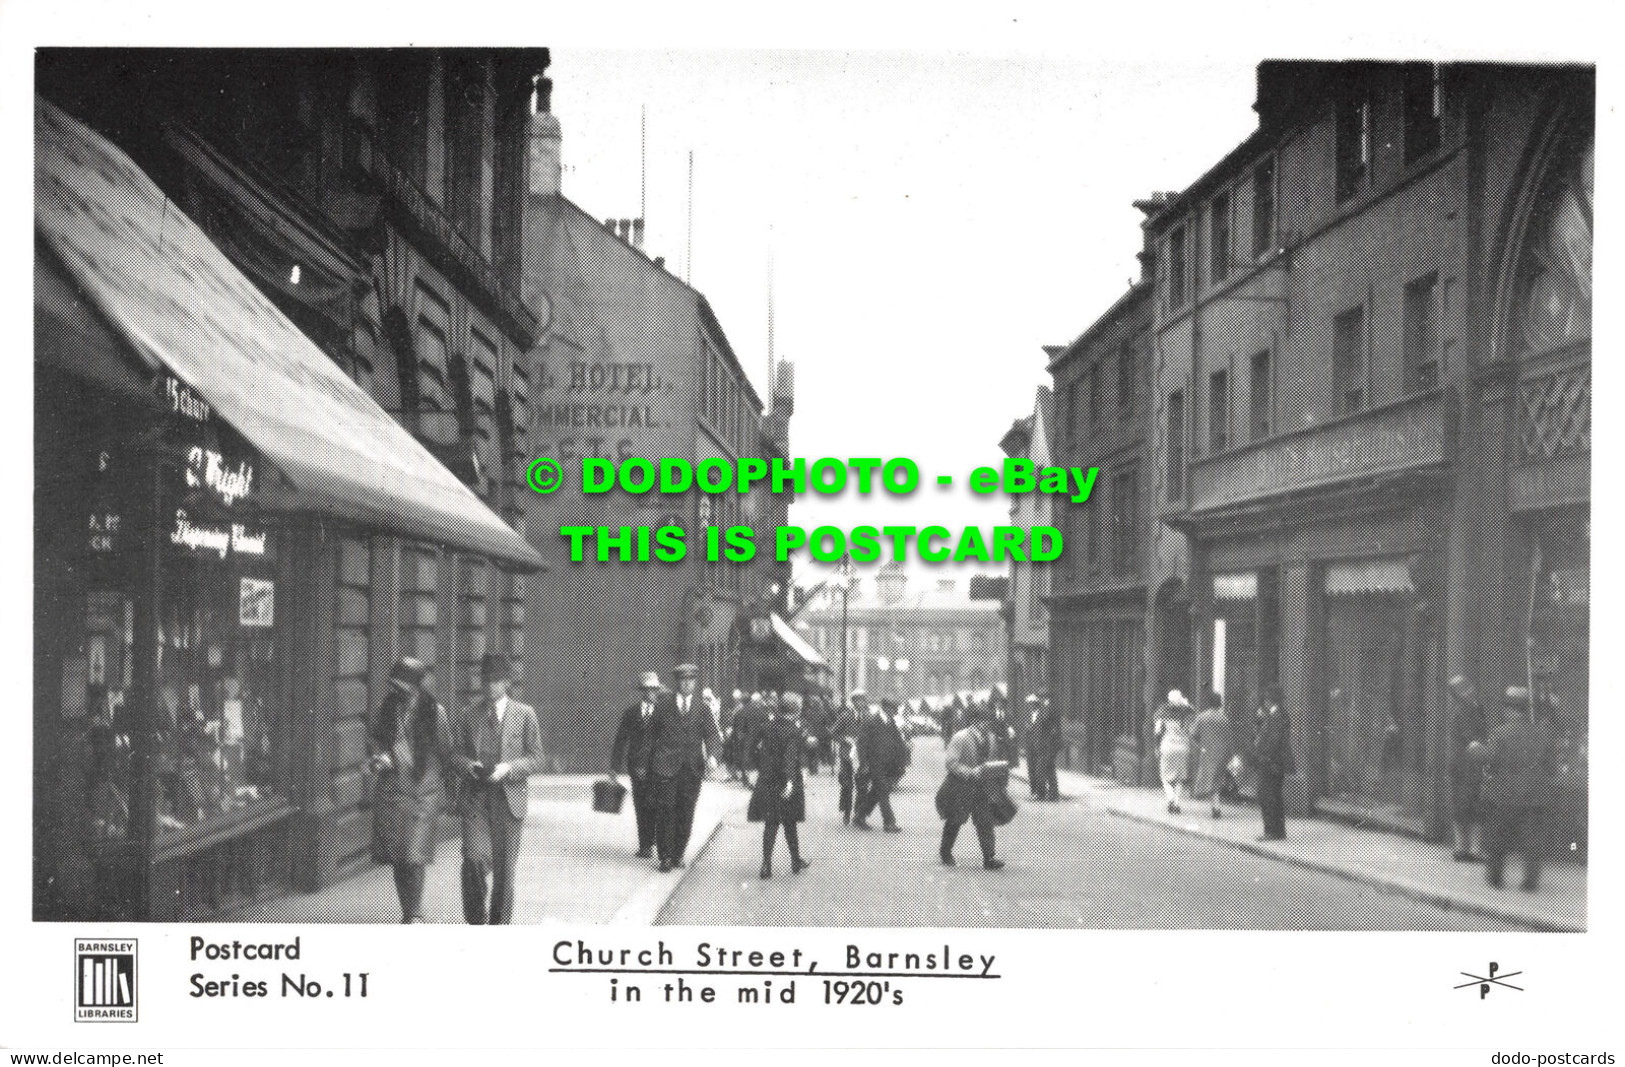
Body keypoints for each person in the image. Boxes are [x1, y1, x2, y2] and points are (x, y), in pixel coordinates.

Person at [448, 654, 543, 925]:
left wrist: (509, 769)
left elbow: (536, 757)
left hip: (508, 800)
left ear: (507, 683)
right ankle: (476, 923)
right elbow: (454, 755)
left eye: (496, 681)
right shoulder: (469, 714)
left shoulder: (525, 714)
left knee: (504, 872)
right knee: (473, 858)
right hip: (476, 799)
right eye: (485, 680)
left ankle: (499, 930)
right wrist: (469, 766)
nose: (489, 686)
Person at [368, 656, 453, 923]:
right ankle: (408, 911)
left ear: (415, 687)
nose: (396, 690)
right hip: (393, 791)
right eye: (393, 684)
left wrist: (448, 792)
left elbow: (446, 751)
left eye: (401, 686)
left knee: (414, 853)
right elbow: (375, 740)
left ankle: (414, 913)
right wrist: (380, 757)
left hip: (422, 792)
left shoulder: (434, 712)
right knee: (398, 854)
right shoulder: (387, 707)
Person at [1481, 686, 1559, 892]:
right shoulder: (1542, 734)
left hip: (1504, 795)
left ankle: (1495, 878)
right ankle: (1530, 882)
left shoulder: (1500, 733)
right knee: (1532, 842)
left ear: (1509, 710)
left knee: (1498, 838)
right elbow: (1552, 768)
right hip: (1534, 796)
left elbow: (1491, 762)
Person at [647, 663, 722, 871]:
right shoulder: (662, 706)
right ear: (677, 682)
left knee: (686, 812)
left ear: (695, 682)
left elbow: (713, 735)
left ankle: (678, 853)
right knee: (665, 811)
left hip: (691, 769)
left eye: (691, 680)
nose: (687, 684)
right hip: (665, 768)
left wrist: (713, 756)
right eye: (683, 680)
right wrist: (650, 764)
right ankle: (665, 857)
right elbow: (652, 736)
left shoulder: (702, 708)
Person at [748, 692, 811, 878]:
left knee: (771, 823)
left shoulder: (767, 726)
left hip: (768, 780)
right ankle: (795, 860)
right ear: (796, 710)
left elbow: (751, 746)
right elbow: (789, 758)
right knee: (790, 822)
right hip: (785, 782)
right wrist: (791, 781)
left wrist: (753, 768)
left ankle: (766, 864)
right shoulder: (794, 730)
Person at [936, 701, 1006, 870]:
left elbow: (992, 760)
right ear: (974, 721)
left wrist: (995, 772)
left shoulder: (990, 738)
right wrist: (969, 772)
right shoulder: (960, 737)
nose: (986, 724)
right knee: (955, 820)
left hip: (982, 787)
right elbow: (951, 763)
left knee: (985, 821)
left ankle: (989, 858)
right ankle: (945, 852)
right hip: (961, 787)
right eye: (982, 721)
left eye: (987, 721)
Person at [610, 671, 663, 859]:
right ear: (643, 691)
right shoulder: (631, 713)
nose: (653, 693)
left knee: (655, 804)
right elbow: (621, 740)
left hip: (658, 767)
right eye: (649, 690)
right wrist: (615, 767)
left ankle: (654, 838)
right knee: (641, 805)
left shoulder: (663, 713)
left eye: (655, 689)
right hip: (637, 767)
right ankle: (645, 845)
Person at [1447, 675, 1489, 863]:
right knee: (1467, 805)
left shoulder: (1476, 708)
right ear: (1458, 695)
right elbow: (1471, 739)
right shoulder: (1463, 711)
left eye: (1467, 687)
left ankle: (1464, 848)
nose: (1468, 691)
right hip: (1465, 764)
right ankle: (1466, 848)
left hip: (1466, 763)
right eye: (1462, 690)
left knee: (1466, 805)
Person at [853, 696, 908, 832]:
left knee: (876, 793)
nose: (895, 712)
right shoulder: (871, 721)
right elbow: (861, 743)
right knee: (883, 791)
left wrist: (903, 759)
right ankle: (889, 823)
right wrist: (863, 764)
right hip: (874, 763)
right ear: (885, 708)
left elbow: (898, 742)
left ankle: (859, 816)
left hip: (889, 764)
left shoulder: (890, 721)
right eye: (893, 709)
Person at [1253, 685, 1295, 842]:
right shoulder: (1278, 714)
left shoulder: (1275, 716)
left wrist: (1263, 756)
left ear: (1270, 700)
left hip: (1270, 762)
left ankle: (1271, 830)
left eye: (1266, 700)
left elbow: (1271, 741)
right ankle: (1279, 831)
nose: (1264, 703)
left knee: (1267, 795)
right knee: (1275, 795)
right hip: (1275, 762)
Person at [1189, 690, 1233, 820]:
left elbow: (1193, 734)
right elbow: (1229, 738)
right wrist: (1229, 754)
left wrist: (1200, 746)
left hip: (1207, 752)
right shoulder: (1224, 719)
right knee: (1217, 779)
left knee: (1209, 779)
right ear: (1220, 704)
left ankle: (1216, 807)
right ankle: (1216, 806)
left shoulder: (1202, 717)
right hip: (1221, 753)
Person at [1154, 690, 1194, 814]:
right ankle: (1176, 804)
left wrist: (1156, 746)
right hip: (1183, 747)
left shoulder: (1162, 712)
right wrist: (1186, 704)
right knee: (1180, 778)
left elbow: (1157, 731)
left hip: (1168, 746)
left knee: (1164, 775)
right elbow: (1193, 727)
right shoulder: (1188, 712)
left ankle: (1170, 797)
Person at [1023, 694, 1061, 802]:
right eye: (1030, 704)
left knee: (1043, 769)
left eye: (1033, 704)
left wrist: (1048, 745)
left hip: (1045, 746)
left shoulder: (1045, 713)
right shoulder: (1031, 715)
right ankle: (1040, 793)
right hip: (1035, 746)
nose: (1031, 706)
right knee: (1039, 769)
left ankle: (1045, 794)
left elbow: (1050, 730)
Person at [835, 691, 865, 825]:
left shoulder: (868, 717)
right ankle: (846, 812)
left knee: (862, 785)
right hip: (847, 755)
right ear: (853, 702)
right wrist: (844, 739)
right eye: (857, 700)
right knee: (847, 785)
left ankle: (858, 814)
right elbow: (834, 732)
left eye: (862, 700)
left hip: (862, 756)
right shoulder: (845, 716)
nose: (860, 703)